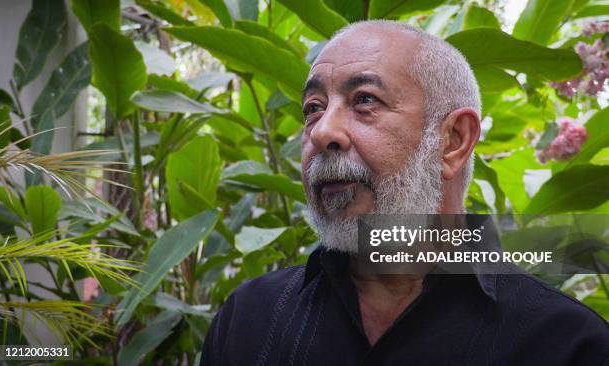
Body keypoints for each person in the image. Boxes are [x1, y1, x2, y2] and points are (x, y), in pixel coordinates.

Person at [200, 20, 609, 366]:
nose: (322, 131)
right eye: (313, 108)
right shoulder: (250, 319)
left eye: (365, 101)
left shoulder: (565, 345)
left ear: (452, 141)